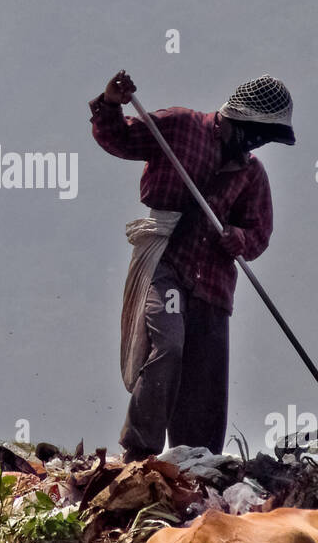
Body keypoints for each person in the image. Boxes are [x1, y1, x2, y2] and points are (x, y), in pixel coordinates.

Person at [89, 70, 295, 461]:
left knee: (205, 377)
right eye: (254, 133)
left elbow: (258, 234)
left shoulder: (252, 175)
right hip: (165, 262)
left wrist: (238, 238)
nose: (256, 144)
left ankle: (195, 464)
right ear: (236, 118)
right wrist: (111, 103)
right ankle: (140, 452)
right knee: (168, 343)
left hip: (213, 283)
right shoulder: (181, 127)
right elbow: (119, 138)